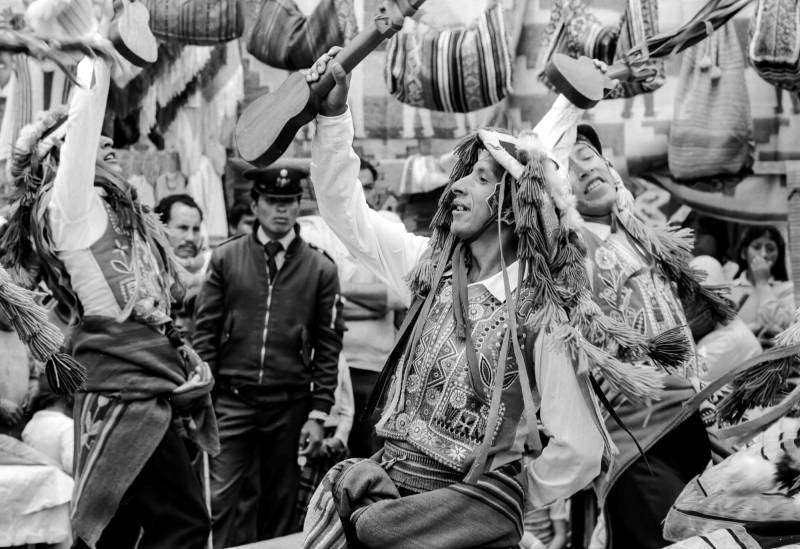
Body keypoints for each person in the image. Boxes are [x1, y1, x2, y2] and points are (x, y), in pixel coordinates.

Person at [299, 49, 667, 549]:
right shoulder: (428, 265)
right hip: (383, 500)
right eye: (463, 174)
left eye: (480, 178)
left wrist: (497, 500)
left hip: (459, 525)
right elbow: (347, 214)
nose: (456, 188)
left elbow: (580, 451)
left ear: (513, 208)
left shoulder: (541, 316)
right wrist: (335, 115)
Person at [0, 55, 217, 549]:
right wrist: (95, 53)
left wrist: (184, 357)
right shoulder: (70, 208)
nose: (105, 142)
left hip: (139, 382)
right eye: (91, 140)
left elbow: (164, 304)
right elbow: (82, 123)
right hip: (125, 393)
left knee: (115, 531)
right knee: (183, 524)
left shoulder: (113, 215)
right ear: (60, 160)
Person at [538, 109, 728, 547]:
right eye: (569, 167)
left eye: (589, 157)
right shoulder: (569, 251)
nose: (584, 169)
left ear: (611, 169)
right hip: (636, 444)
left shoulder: (644, 241)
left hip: (690, 427)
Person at [193, 165, 344, 547]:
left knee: (281, 504)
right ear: (255, 204)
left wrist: (318, 413)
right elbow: (205, 332)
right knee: (217, 500)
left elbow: (329, 345)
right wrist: (205, 398)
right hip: (231, 399)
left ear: (298, 205)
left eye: (289, 202)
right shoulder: (226, 258)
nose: (281, 210)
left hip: (290, 405)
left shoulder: (320, 267)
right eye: (273, 202)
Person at [299, 186, 406, 458]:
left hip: (375, 369)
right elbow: (308, 304)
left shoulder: (385, 226)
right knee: (324, 456)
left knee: (371, 455)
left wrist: (333, 289)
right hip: (325, 369)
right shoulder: (310, 231)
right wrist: (373, 304)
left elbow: (397, 296)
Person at [730, 225, 795, 344]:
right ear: (744, 253)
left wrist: (762, 283)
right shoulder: (729, 289)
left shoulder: (789, 289)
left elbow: (784, 330)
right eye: (756, 247)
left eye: (770, 249)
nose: (764, 254)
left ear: (779, 256)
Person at [155, 193, 207, 338]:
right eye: (183, 228)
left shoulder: (214, 265)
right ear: (161, 228)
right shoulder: (150, 267)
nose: (190, 237)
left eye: (196, 229)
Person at [21, 377, 74, 475]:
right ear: (68, 400)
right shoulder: (68, 426)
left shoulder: (30, 426)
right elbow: (71, 465)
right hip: (60, 484)